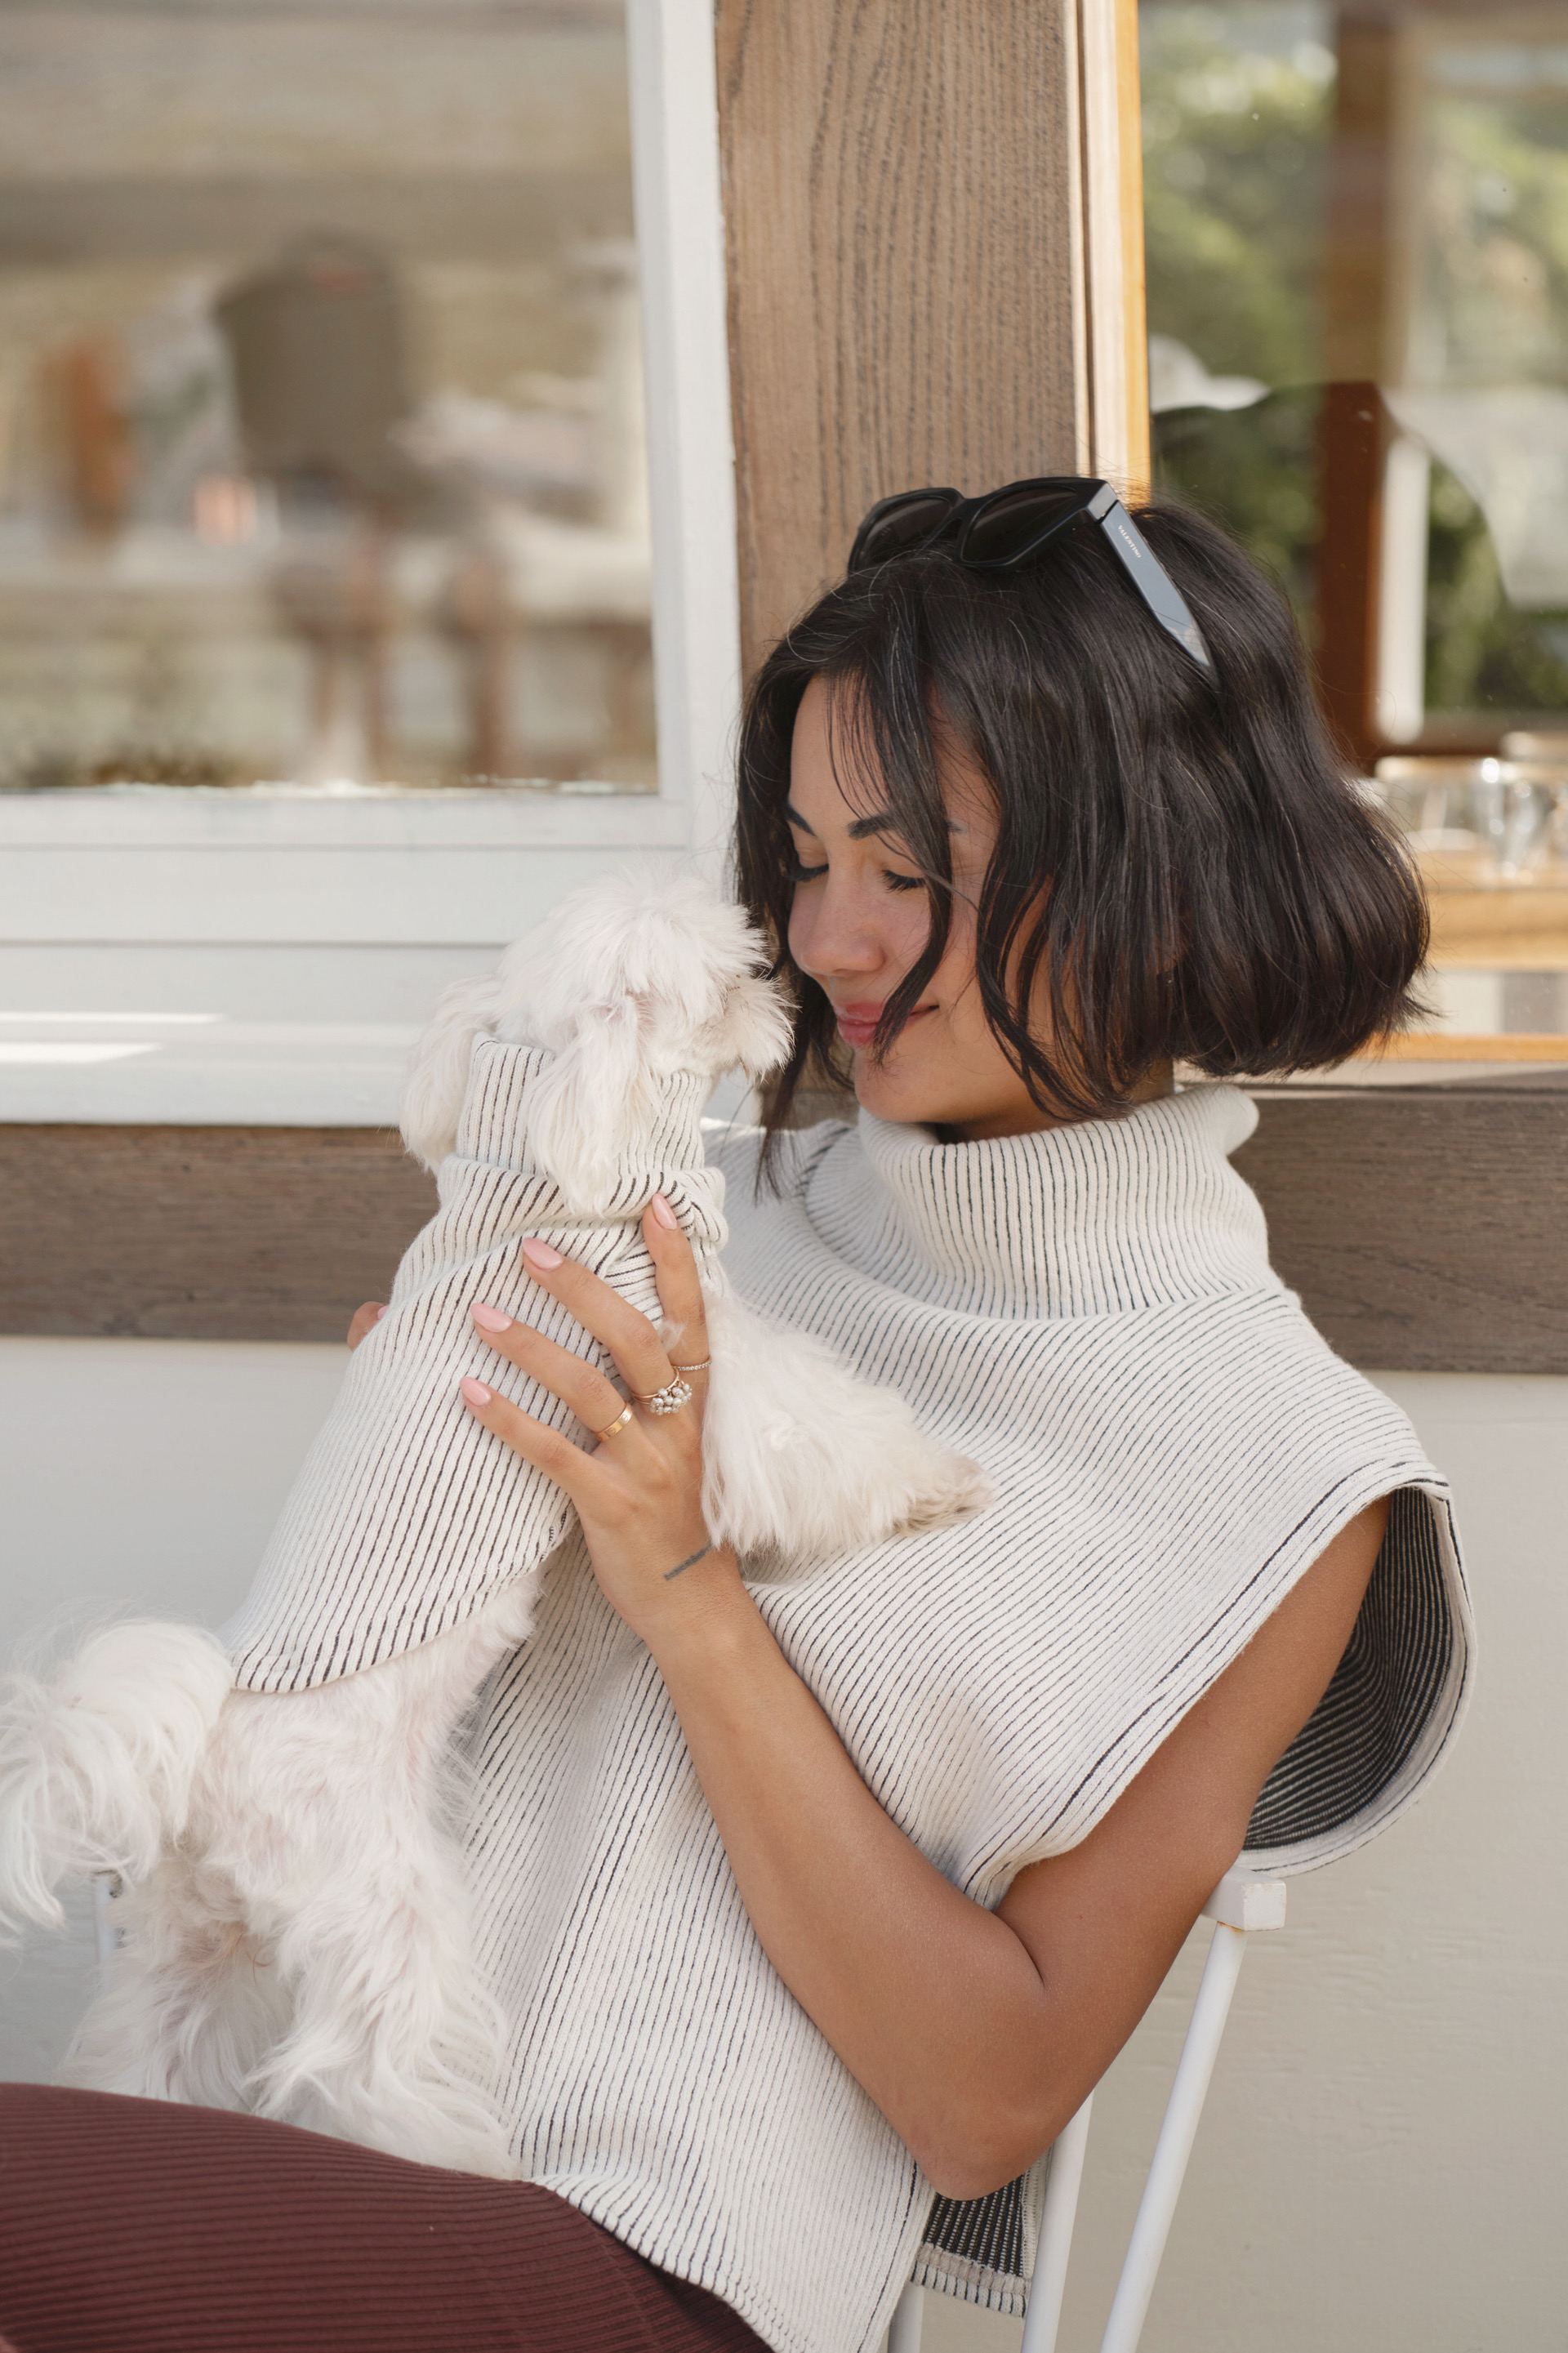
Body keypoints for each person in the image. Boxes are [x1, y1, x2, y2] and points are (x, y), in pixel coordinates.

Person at [0, 483, 1472, 2353]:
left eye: (908, 867)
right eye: (801, 858)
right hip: (290, 2135)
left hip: (651, 2262)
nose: (832, 940)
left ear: (1154, 873)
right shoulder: (686, 1215)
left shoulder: (1282, 1476)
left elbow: (986, 2099)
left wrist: (686, 1580)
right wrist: (424, 1447)